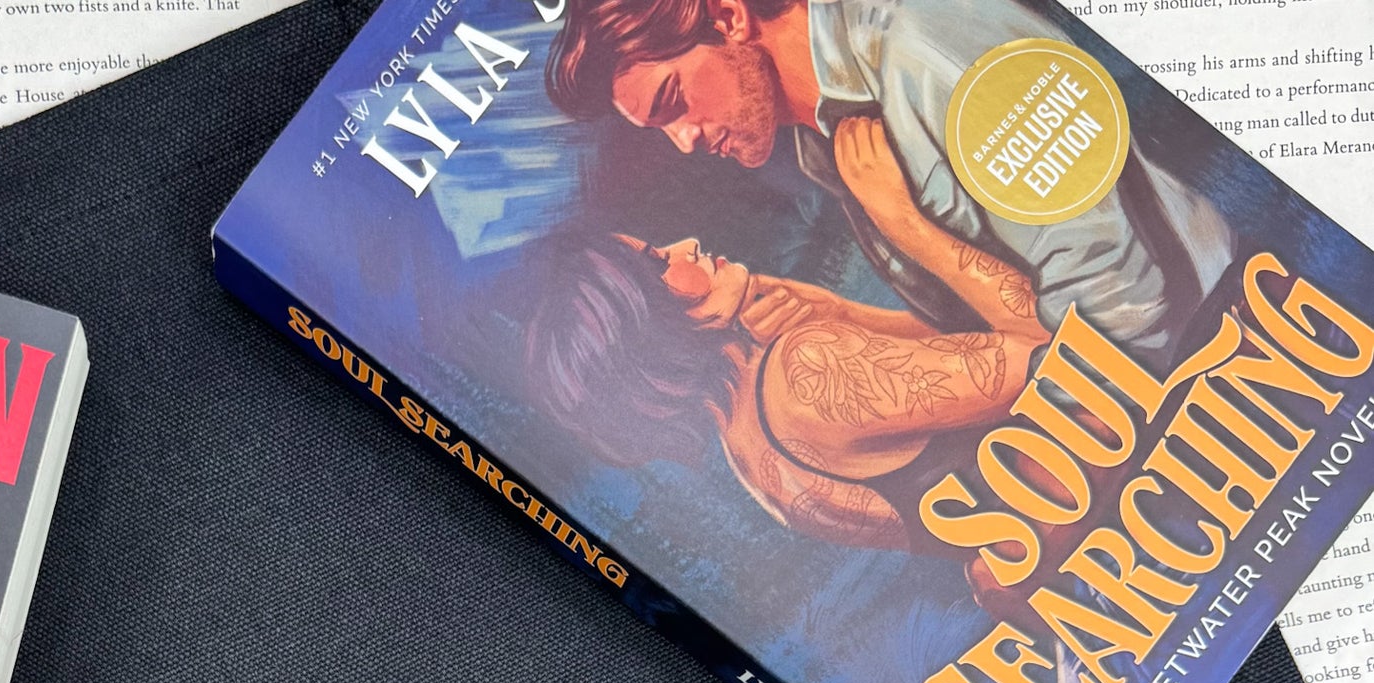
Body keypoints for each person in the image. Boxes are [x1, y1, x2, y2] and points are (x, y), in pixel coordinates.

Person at [545, 0, 1234, 360]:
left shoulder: (919, 40)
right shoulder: (826, 142)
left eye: (673, 103)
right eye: (661, 130)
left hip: (1219, 341)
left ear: (727, 16)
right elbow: (989, 318)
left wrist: (1046, 463)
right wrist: (837, 315)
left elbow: (1126, 302)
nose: (686, 141)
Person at [528, 117, 1050, 549]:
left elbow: (966, 355)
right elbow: (1060, 354)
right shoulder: (804, 371)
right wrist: (903, 221)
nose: (686, 245)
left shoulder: (752, 459)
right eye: (660, 262)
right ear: (648, 330)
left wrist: (838, 312)